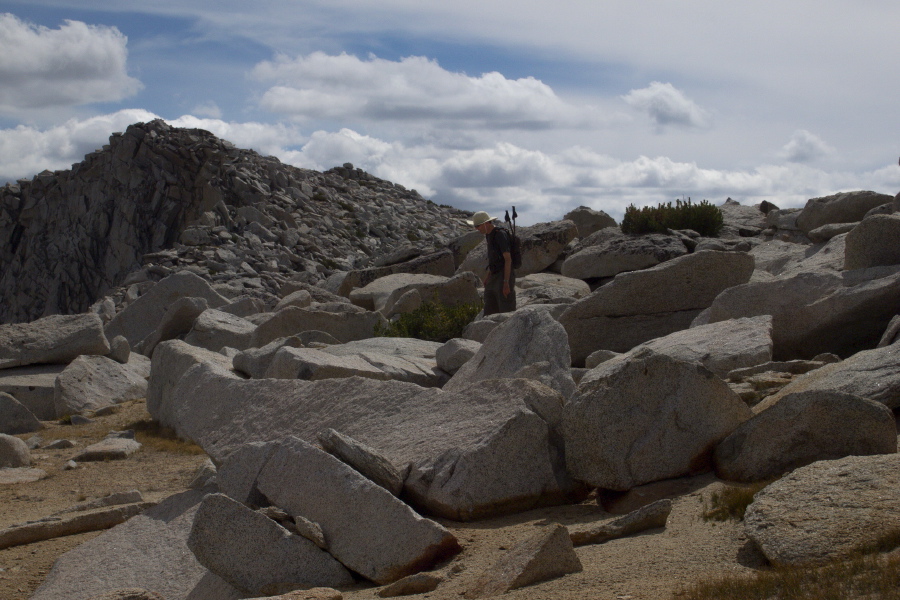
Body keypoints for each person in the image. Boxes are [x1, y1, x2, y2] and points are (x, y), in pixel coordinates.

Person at [467, 211, 516, 315]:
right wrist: (488, 277)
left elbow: (508, 259)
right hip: (494, 274)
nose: (477, 228)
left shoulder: (500, 235)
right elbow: (493, 259)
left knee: (505, 307)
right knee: (490, 305)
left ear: (487, 223)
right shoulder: (488, 235)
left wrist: (506, 283)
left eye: (478, 226)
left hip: (504, 274)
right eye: (475, 226)